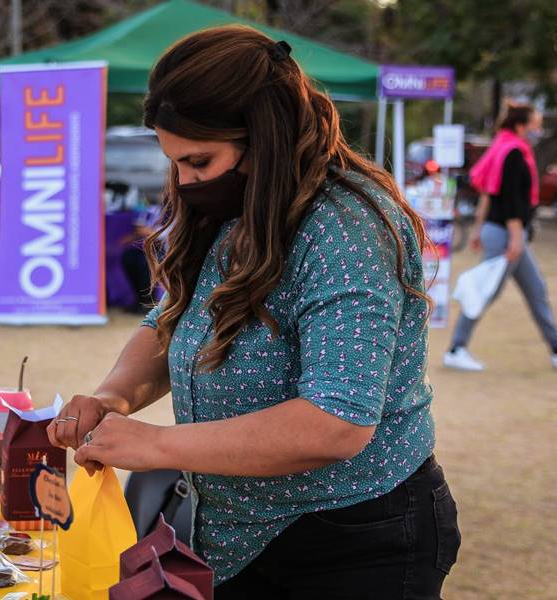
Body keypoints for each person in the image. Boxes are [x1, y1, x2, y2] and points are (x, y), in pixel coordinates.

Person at [47, 26, 460, 599]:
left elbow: (336, 422)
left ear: (265, 139)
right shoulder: (237, 205)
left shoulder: (345, 230)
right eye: (175, 163)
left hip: (354, 538)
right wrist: (113, 398)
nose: (185, 181)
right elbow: (175, 319)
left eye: (199, 161)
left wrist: (157, 444)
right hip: (237, 534)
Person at [444, 103, 557, 371]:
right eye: (536, 123)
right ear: (522, 125)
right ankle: (456, 349)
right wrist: (514, 237)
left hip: (504, 232)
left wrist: (479, 228)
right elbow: (510, 200)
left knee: (536, 289)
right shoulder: (512, 152)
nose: (539, 127)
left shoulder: (502, 147)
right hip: (505, 233)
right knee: (486, 291)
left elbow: (489, 193)